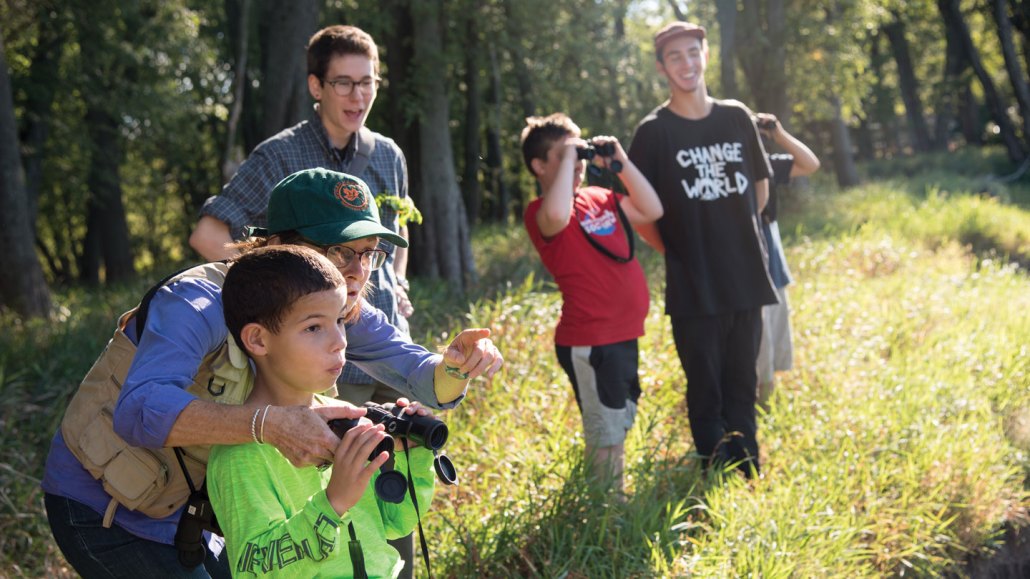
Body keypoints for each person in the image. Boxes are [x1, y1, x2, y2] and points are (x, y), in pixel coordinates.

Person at [42, 168, 502, 578]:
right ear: (280, 244)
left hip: (198, 509)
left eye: (369, 253)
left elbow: (420, 374)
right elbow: (140, 410)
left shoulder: (330, 306)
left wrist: (457, 366)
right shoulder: (197, 302)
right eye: (341, 250)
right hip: (103, 507)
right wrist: (269, 425)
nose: (357, 272)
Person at [188, 24, 415, 408]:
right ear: (316, 86)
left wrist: (397, 282)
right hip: (330, 366)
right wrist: (283, 290)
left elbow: (397, 229)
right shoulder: (278, 155)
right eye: (343, 83)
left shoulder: (388, 154)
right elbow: (207, 235)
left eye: (367, 82)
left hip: (391, 346)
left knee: (413, 460)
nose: (357, 96)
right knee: (349, 464)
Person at [208, 244, 436, 578]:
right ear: (258, 340)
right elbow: (255, 568)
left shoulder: (346, 418)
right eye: (314, 327)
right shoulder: (241, 456)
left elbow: (395, 522)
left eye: (341, 321)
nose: (339, 341)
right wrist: (332, 505)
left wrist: (412, 457)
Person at [628, 22, 776, 477]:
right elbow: (641, 213)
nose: (686, 63)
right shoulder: (653, 133)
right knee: (705, 389)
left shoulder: (736, 117)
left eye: (693, 52)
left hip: (747, 278)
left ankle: (748, 471)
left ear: (705, 55)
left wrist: (734, 233)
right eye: (675, 57)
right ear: (661, 67)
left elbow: (761, 191)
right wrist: (678, 249)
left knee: (743, 382)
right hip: (695, 287)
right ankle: (715, 474)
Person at [520, 114, 663, 493]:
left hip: (622, 334)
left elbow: (651, 209)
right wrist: (570, 157)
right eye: (567, 154)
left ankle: (608, 499)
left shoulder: (599, 198)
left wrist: (621, 162)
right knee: (605, 433)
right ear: (539, 165)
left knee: (617, 421)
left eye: (580, 154)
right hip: (591, 339)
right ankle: (606, 509)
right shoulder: (541, 213)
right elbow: (556, 214)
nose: (579, 162)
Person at [752, 113, 820, 407]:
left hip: (772, 258)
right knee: (757, 342)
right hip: (746, 261)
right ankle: (757, 405)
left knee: (773, 336)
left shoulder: (765, 164)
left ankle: (767, 405)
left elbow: (810, 164)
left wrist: (776, 133)